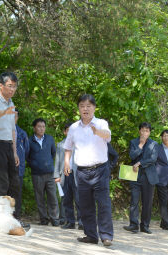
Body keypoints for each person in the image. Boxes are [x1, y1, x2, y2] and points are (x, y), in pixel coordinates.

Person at [63, 94, 113, 246]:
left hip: (100, 170)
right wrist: (66, 163)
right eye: (82, 106)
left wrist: (97, 132)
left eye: (88, 106)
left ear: (94, 108)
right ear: (78, 109)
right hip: (82, 171)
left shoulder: (101, 123)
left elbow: (108, 135)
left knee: (103, 203)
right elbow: (68, 147)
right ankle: (91, 235)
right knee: (85, 204)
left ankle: (106, 236)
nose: (85, 109)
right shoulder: (73, 128)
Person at [0, 72, 28, 226]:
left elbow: (13, 130)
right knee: (1, 183)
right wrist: (4, 112)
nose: (12, 89)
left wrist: (15, 152)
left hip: (8, 145)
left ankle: (14, 218)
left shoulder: (11, 103)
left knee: (15, 183)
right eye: (10, 86)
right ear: (1, 85)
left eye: (14, 86)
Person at [123, 122, 158, 234]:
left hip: (149, 177)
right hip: (134, 175)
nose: (144, 133)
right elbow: (132, 155)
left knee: (147, 202)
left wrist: (139, 163)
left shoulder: (154, 144)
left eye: (147, 131)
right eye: (142, 130)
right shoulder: (133, 142)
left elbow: (153, 159)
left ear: (150, 132)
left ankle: (145, 225)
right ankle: (133, 225)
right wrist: (141, 145)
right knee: (134, 200)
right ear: (139, 131)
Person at [28, 118, 59, 226]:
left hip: (50, 173)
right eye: (39, 126)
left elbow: (53, 153)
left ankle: (55, 219)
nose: (41, 128)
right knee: (39, 197)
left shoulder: (49, 139)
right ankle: (44, 219)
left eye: (43, 126)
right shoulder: (30, 140)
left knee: (52, 197)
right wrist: (34, 164)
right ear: (34, 128)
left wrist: (49, 164)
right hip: (37, 174)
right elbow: (27, 156)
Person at [55, 123, 83, 230]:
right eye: (68, 130)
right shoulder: (60, 145)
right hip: (65, 175)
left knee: (79, 199)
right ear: (65, 132)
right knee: (66, 199)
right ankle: (70, 221)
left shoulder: (79, 144)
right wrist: (56, 175)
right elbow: (57, 161)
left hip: (77, 174)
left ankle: (81, 222)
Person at [15, 109, 29, 219]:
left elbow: (26, 151)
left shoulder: (22, 133)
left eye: (15, 116)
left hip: (18, 168)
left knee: (17, 193)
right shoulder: (2, 131)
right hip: (5, 168)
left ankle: (17, 216)